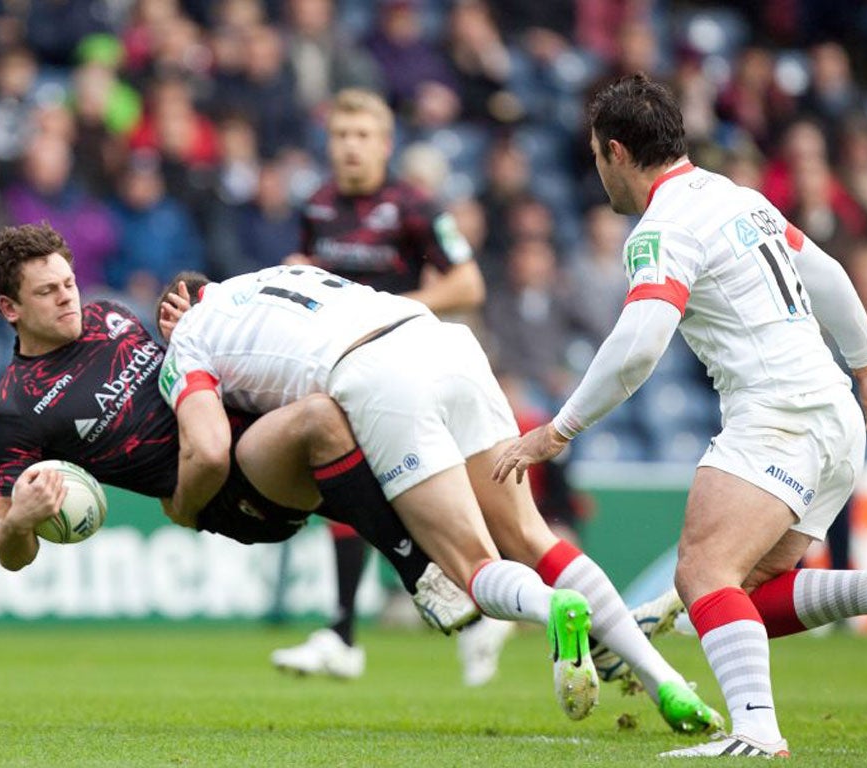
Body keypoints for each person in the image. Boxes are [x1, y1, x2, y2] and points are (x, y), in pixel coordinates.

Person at [494, 75, 867, 758]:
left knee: (703, 577)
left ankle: (756, 733)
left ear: (618, 152)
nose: (598, 173)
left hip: (779, 415)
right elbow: (827, 271)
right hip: (832, 412)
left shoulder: (659, 229)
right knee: (739, 595)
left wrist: (557, 429)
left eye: (598, 157)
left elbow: (638, 345)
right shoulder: (734, 196)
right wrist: (864, 363)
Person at [157, 264, 722, 731]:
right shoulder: (278, 274)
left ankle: (553, 609)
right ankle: (665, 682)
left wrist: (184, 506)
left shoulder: (188, 336)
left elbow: (208, 446)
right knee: (533, 536)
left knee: (469, 567)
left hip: (377, 374)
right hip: (442, 339)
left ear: (178, 306)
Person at [0, 222, 475, 637]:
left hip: (252, 432)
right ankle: (418, 575)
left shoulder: (108, 316)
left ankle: (495, 573)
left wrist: (185, 337)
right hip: (226, 493)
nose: (67, 298)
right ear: (11, 308)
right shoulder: (18, 408)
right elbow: (8, 551)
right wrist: (21, 521)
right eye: (47, 292)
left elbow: (183, 376)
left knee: (356, 405)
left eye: (69, 283)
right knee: (320, 419)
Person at [280, 87, 485, 678]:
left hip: (403, 366)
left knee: (423, 496)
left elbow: (468, 285)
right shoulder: (316, 206)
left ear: (385, 143)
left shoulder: (416, 207)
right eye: (341, 135)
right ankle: (344, 632)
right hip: (339, 369)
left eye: (363, 135)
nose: (350, 146)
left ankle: (485, 603)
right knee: (341, 488)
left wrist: (391, 307)